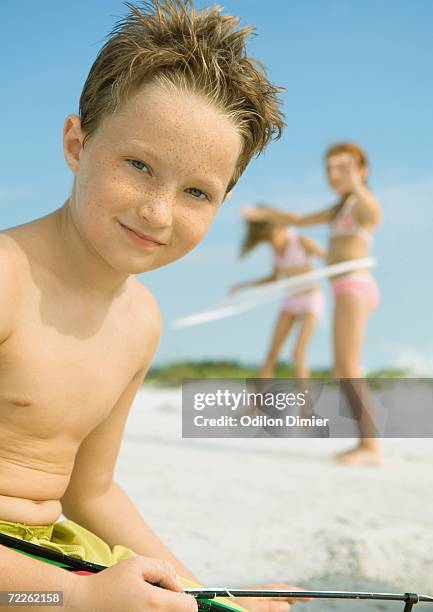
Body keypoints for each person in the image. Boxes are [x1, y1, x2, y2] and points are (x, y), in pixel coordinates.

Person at [0, 1, 309, 610]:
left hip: (49, 557)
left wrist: (213, 598)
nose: (158, 212)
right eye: (139, 166)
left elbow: (91, 494)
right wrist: (70, 597)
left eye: (196, 192)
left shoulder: (140, 321)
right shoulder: (7, 280)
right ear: (76, 143)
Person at [243, 143, 383, 466]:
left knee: (347, 367)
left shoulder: (361, 203)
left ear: (361, 170)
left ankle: (371, 447)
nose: (335, 175)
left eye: (343, 167)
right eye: (330, 169)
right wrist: (264, 214)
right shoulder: (339, 208)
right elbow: (298, 219)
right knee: (341, 368)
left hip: (354, 285)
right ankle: (367, 444)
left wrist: (356, 184)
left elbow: (374, 215)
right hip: (342, 288)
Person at [230, 215, 327, 381]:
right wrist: (243, 286)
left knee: (297, 353)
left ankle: (305, 406)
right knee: (271, 355)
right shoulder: (276, 250)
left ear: (281, 229)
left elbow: (329, 258)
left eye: (273, 238)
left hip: (310, 299)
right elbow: (274, 278)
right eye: (268, 241)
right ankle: (255, 405)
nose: (272, 243)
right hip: (290, 301)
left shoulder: (301, 241)